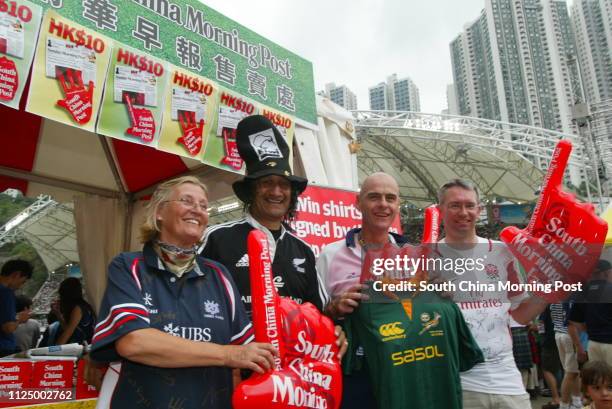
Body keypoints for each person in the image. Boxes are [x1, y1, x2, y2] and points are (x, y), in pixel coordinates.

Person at [90, 176, 277, 409]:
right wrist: (229, 354)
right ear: (159, 212)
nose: (197, 210)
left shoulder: (219, 274)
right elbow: (134, 342)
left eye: (203, 206)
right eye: (187, 201)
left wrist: (325, 338)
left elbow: (245, 352)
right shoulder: (129, 266)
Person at [318, 172, 484, 409]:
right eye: (374, 197)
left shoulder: (417, 255)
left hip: (408, 371)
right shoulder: (330, 255)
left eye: (390, 198)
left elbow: (441, 305)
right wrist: (334, 309)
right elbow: (314, 317)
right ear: (358, 202)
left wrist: (443, 291)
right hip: (356, 373)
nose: (383, 205)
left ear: (398, 204)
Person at [435, 178, 548, 409]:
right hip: (460, 384)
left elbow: (517, 315)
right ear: (440, 210)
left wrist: (549, 292)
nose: (463, 212)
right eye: (455, 205)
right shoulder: (426, 260)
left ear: (478, 209)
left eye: (469, 205)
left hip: (507, 382)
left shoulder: (502, 252)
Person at [201, 115, 329, 317]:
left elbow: (318, 312)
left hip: (292, 349)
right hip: (231, 348)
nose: (276, 192)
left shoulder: (303, 250)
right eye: (267, 183)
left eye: (284, 185)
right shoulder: (216, 238)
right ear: (252, 190)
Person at [569, 259, 612, 367]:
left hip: (593, 343)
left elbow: (574, 319)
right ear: (606, 273)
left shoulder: (583, 291)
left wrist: (588, 331)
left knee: (599, 379)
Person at [551, 301, 583, 409]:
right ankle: (565, 405)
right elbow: (572, 320)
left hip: (558, 334)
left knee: (572, 372)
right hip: (569, 335)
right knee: (571, 373)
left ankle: (576, 402)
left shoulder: (556, 297)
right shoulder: (571, 297)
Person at [0, 259, 33, 357]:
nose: (20, 286)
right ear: (16, 275)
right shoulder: (6, 293)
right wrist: (20, 319)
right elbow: (8, 328)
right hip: (3, 348)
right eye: (23, 282)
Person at [52, 277, 96, 346]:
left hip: (86, 348)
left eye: (61, 295)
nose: (60, 298)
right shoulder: (84, 306)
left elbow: (68, 333)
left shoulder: (78, 309)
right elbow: (69, 329)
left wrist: (53, 350)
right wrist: (58, 314)